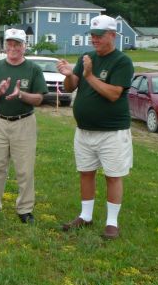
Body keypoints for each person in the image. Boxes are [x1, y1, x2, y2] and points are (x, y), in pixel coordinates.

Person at [56, 15, 134, 240]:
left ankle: (112, 222)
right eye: (92, 35)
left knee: (113, 175)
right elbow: (71, 87)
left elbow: (113, 94)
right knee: (85, 172)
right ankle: (86, 216)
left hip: (112, 132)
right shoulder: (86, 57)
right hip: (84, 130)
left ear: (112, 35)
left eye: (99, 36)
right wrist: (70, 74)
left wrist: (88, 75)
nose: (94, 40)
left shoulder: (122, 62)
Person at [0, 28, 48, 223]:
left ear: (24, 46)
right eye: (10, 44)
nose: (13, 48)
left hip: (24, 122)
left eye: (17, 44)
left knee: (24, 168)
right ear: (5, 46)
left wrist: (21, 94)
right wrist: (0, 91)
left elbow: (39, 98)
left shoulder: (33, 69)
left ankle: (24, 209)